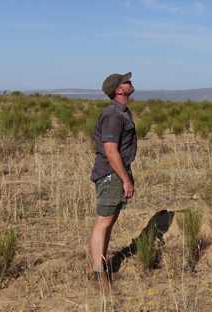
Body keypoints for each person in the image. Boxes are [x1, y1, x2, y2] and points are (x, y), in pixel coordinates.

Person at [87, 72, 138, 288]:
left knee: (109, 221)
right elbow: (110, 150)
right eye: (126, 82)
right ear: (118, 90)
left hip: (116, 173)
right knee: (103, 222)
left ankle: (99, 263)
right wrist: (125, 180)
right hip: (111, 174)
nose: (130, 83)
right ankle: (99, 275)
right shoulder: (113, 115)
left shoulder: (122, 112)